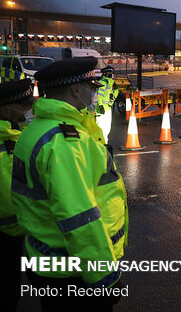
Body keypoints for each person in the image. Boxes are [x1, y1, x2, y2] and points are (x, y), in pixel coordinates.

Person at [11, 57, 128, 312]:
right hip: (73, 272)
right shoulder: (63, 142)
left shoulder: (36, 129)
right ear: (76, 89)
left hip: (49, 261)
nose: (94, 93)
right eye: (92, 87)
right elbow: (80, 218)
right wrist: (104, 278)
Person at [0, 79, 33, 311]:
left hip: (17, 231)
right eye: (22, 106)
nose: (27, 111)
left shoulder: (18, 133)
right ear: (5, 108)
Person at [95, 66, 118, 145]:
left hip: (108, 108)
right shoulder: (102, 83)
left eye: (111, 73)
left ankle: (105, 143)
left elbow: (114, 94)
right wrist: (100, 105)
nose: (111, 74)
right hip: (101, 110)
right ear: (104, 74)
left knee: (107, 128)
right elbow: (99, 95)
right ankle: (101, 144)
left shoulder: (110, 83)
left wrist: (114, 93)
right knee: (101, 128)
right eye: (109, 73)